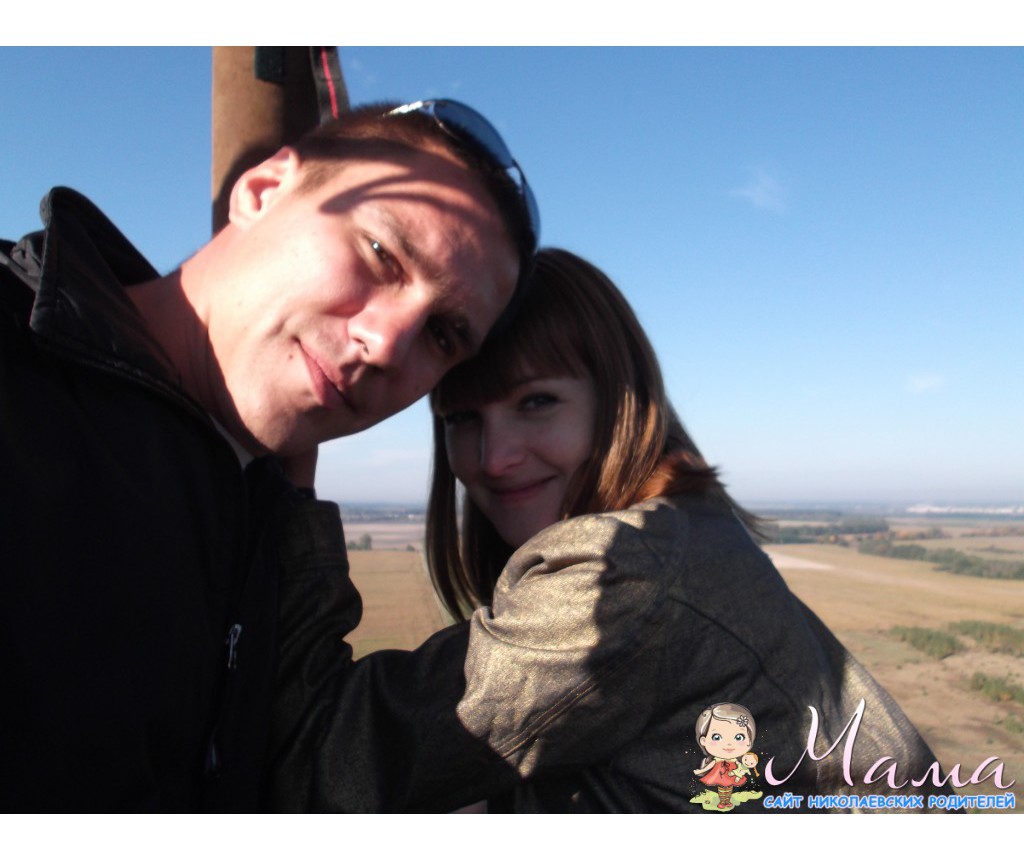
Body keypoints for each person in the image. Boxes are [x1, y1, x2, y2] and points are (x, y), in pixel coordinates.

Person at [273, 248, 951, 812]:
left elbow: (320, 761)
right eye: (462, 419)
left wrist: (290, 475)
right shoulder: (688, 527)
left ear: (619, 404)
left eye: (537, 402)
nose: (492, 458)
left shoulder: (622, 577)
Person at [0, 99, 537, 811]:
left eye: (442, 334)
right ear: (260, 190)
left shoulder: (268, 523)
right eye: (381, 254)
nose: (387, 344)